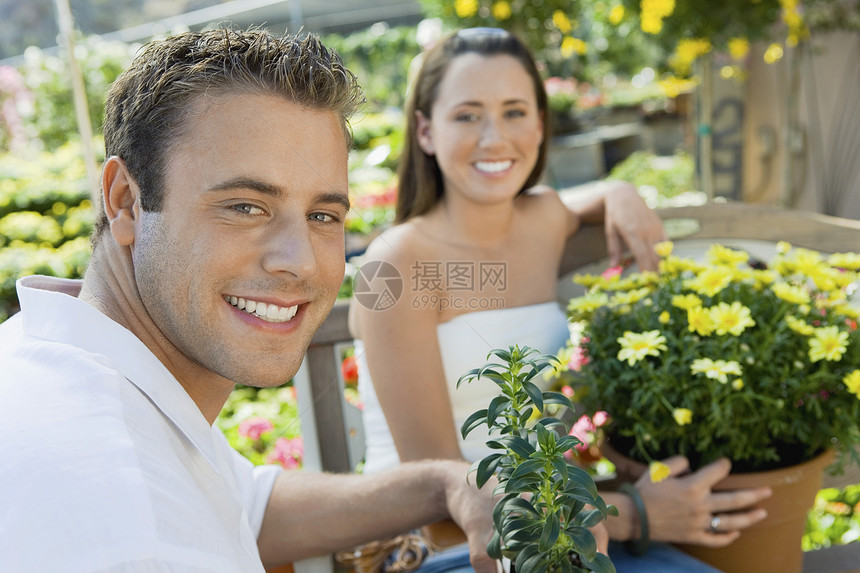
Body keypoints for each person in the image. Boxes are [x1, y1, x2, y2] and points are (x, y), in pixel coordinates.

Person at [0, 28, 536, 573]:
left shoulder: (71, 357)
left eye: (323, 215)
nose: (299, 260)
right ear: (125, 202)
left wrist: (445, 484)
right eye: (246, 206)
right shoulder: (128, 527)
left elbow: (249, 509)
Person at [349, 28, 772, 571]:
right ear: (426, 131)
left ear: (541, 124)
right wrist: (634, 512)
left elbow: (573, 202)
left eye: (515, 112)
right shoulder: (397, 264)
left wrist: (618, 192)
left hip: (560, 529)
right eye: (467, 115)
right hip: (439, 545)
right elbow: (438, 502)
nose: (494, 138)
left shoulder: (542, 220)